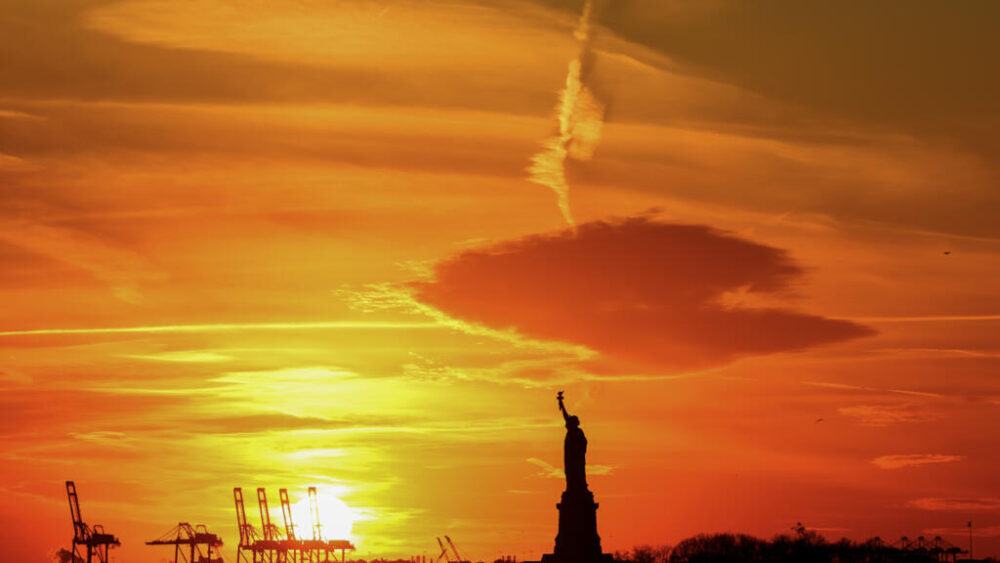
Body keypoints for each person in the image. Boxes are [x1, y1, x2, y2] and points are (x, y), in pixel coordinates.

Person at [558, 392, 588, 491]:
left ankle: (579, 487)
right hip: (570, 459)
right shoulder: (571, 432)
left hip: (577, 459)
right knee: (570, 473)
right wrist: (561, 403)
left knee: (578, 473)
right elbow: (565, 416)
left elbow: (584, 444)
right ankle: (572, 487)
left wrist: (578, 450)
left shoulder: (578, 432)